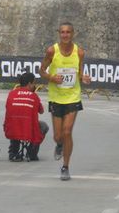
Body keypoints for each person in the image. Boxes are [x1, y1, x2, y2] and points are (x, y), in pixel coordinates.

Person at [39, 22, 91, 180]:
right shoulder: (51, 51)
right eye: (62, 32)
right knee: (58, 136)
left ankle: (65, 166)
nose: (65, 35)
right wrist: (51, 77)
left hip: (72, 96)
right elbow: (41, 71)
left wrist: (84, 78)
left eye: (68, 32)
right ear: (59, 34)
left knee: (67, 132)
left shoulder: (79, 52)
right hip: (56, 97)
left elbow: (80, 74)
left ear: (73, 34)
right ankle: (59, 145)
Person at [4, 72, 49, 161]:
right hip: (29, 129)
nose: (34, 85)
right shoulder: (34, 96)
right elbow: (42, 111)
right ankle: (31, 153)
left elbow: (7, 107)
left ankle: (13, 152)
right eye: (34, 83)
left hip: (11, 129)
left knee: (15, 122)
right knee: (44, 126)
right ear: (29, 84)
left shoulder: (11, 94)